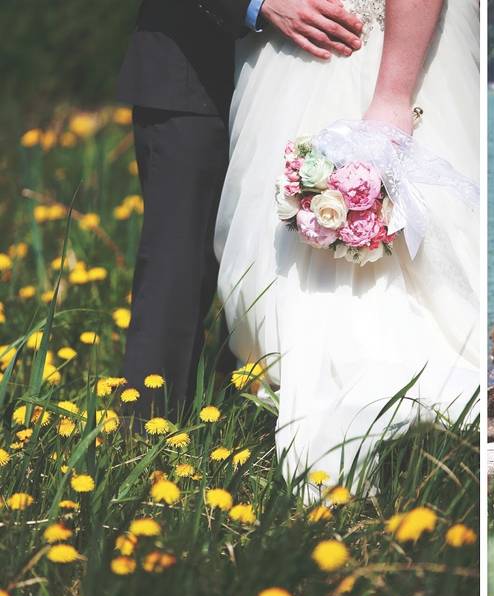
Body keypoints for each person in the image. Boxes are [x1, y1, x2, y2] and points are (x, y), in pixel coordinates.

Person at [213, 0, 483, 491]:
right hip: (288, 53)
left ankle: (399, 449)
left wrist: (393, 95)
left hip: (375, 50)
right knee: (283, 272)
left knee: (387, 278)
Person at [115, 0, 364, 421]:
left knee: (286, 260)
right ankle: (142, 444)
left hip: (308, 80)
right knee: (176, 269)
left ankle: (253, 427)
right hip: (195, 74)